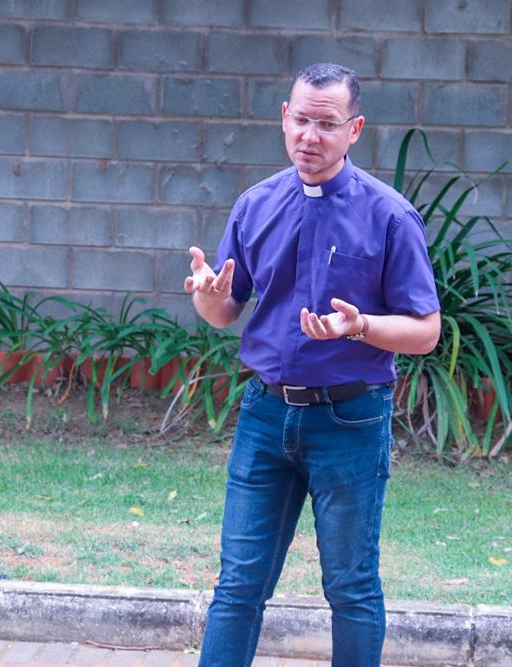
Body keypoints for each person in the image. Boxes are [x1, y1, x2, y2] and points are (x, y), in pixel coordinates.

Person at [184, 63, 441, 667]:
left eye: (326, 124)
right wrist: (206, 294)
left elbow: (426, 331)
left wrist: (361, 326)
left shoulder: (389, 216)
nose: (310, 136)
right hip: (265, 416)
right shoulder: (255, 206)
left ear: (354, 129)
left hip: (350, 420)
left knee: (351, 587)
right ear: (284, 117)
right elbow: (224, 310)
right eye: (301, 120)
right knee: (238, 585)